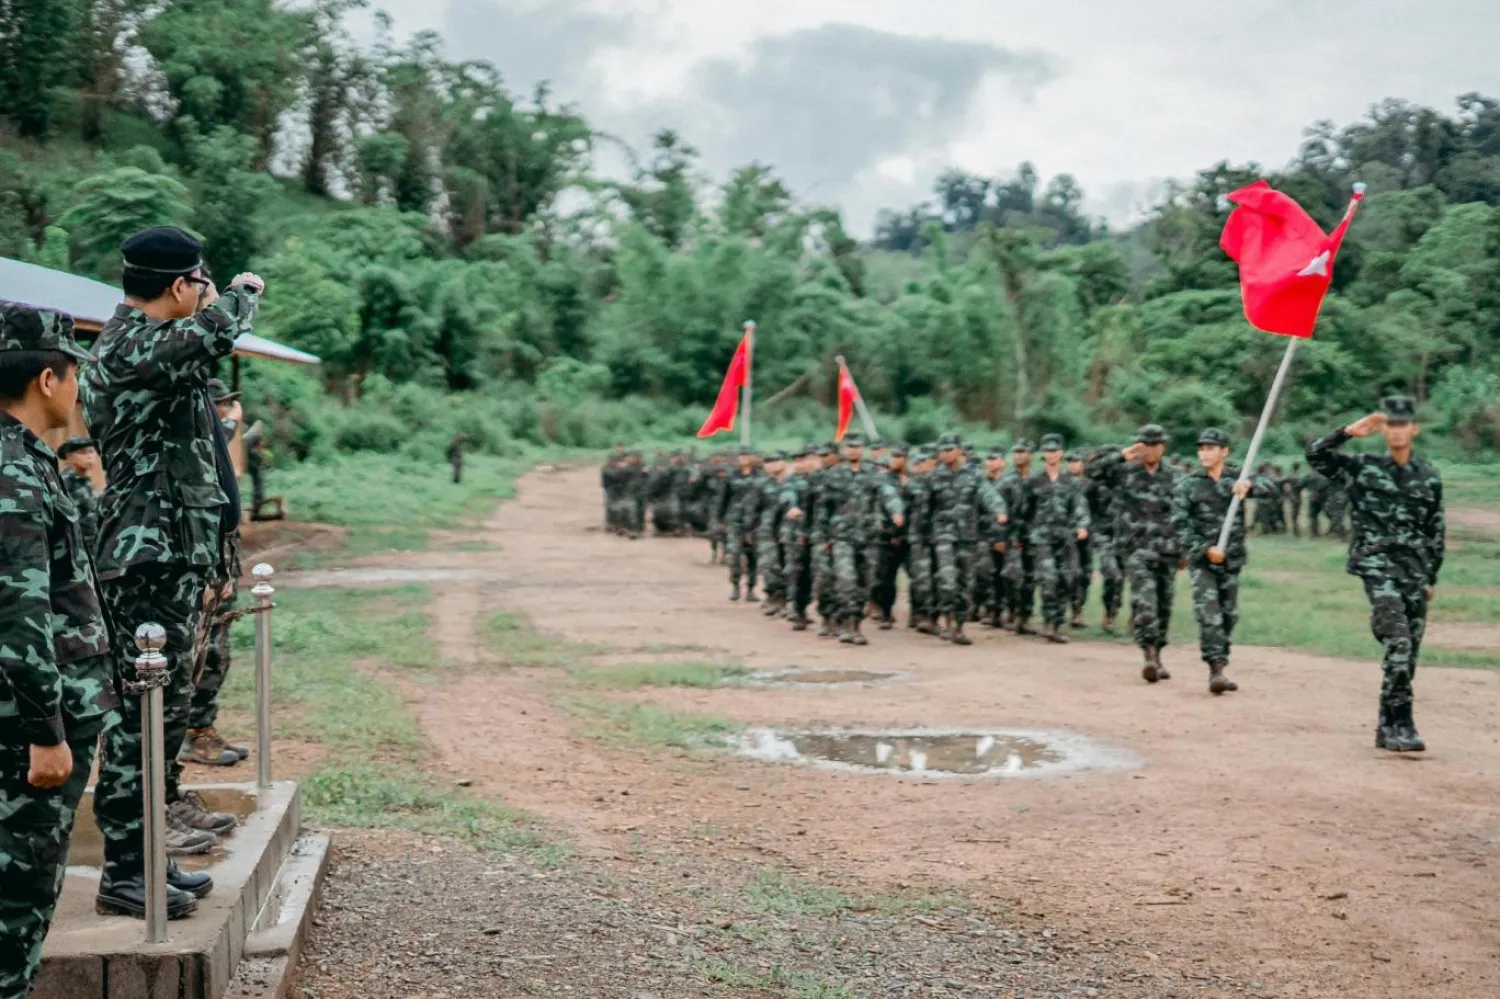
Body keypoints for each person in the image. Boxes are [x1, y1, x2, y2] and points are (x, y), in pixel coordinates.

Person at [82, 226, 251, 917]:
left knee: (166, 710)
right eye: (199, 280)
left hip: (169, 551)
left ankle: (144, 857)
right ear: (180, 286)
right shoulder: (133, 343)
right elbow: (213, 335)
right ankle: (124, 871)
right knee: (141, 713)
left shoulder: (154, 348)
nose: (205, 290)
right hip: (142, 554)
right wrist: (239, 293)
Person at [0, 303, 131, 995]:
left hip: (39, 715)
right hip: (27, 728)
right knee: (17, 902)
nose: (78, 388)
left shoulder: (27, 460)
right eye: (75, 374)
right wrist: (44, 731)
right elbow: (20, 613)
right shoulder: (14, 472)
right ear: (49, 378)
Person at [1307, 396, 1444, 752]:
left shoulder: (1428, 475)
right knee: (1398, 639)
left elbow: (1435, 529)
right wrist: (1347, 432)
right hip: (1376, 564)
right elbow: (1316, 456)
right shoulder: (1363, 468)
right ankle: (1403, 721)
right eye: (1390, 424)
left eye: (1402, 424)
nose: (1396, 431)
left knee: (1408, 651)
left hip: (1414, 570)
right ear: (1383, 429)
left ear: (1413, 428)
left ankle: (1385, 726)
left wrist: (1431, 577)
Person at [182, 378, 250, 768]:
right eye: (221, 405)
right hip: (207, 568)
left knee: (218, 654)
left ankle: (203, 727)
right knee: (204, 654)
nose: (226, 412)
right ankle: (194, 733)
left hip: (221, 564)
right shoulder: (200, 441)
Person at [1172, 428, 1270, 695]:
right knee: (1209, 614)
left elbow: (1271, 488)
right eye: (1201, 448)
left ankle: (1221, 662)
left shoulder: (1237, 477)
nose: (1204, 452)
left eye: (1210, 448)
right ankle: (1216, 670)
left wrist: (1249, 487)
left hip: (1232, 559)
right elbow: (1180, 525)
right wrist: (1205, 550)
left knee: (1228, 616)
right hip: (1203, 561)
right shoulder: (1188, 485)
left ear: (1223, 451)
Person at [1088, 424, 1181, 681]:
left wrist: (1184, 549)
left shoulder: (1175, 476)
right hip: (1136, 549)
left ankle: (1159, 654)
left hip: (1167, 551)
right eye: (1145, 444)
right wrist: (1121, 455)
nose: (1149, 450)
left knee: (1164, 606)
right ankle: (1148, 655)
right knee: (1145, 603)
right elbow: (1091, 472)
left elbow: (1183, 514)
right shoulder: (1123, 472)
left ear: (1163, 447)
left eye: (1154, 445)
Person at [814, 433, 904, 645]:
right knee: (846, 580)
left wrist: (896, 511)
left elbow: (888, 492)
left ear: (862, 449)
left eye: (858, 446)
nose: (854, 450)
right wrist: (822, 538)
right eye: (850, 446)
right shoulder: (833, 476)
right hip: (841, 537)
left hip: (869, 538)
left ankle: (857, 623)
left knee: (867, 582)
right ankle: (848, 623)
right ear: (844, 449)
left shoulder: (873, 473)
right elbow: (823, 510)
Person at [1027, 435, 1088, 644]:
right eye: (1047, 450)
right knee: (1048, 579)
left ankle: (1056, 623)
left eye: (1054, 450)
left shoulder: (1070, 481)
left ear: (1061, 453)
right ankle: (1048, 622)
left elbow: (1079, 505)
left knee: (1066, 579)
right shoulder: (1034, 480)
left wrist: (1081, 525)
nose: (1051, 454)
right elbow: (1024, 509)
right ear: (1043, 453)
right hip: (1041, 538)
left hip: (1064, 537)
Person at [56, 435, 102, 554]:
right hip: (76, 549)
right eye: (82, 452)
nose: (89, 456)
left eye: (91, 451)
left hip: (93, 547)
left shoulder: (85, 482)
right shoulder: (64, 483)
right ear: (69, 457)